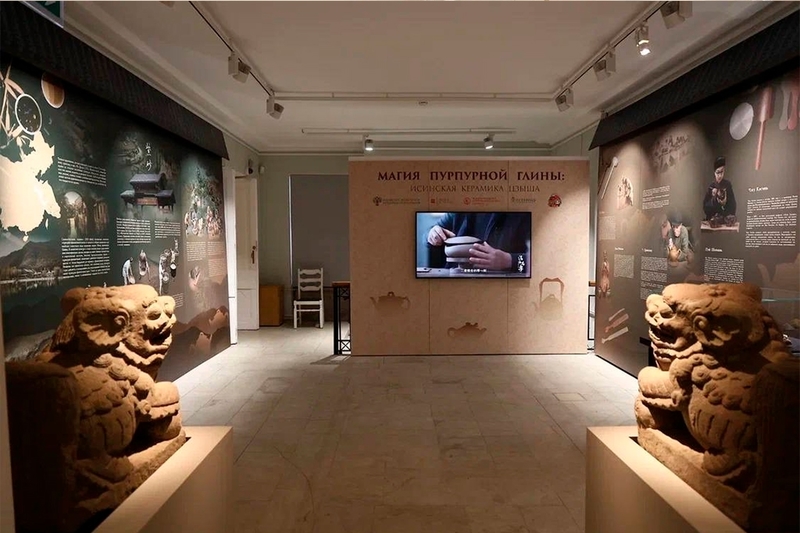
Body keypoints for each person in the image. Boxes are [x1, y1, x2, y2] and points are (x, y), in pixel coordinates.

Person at [427, 212, 530, 272]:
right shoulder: (459, 210)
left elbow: (539, 262)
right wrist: (432, 234)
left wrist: (510, 260)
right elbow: (428, 235)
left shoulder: (524, 212)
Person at [703, 156, 736, 221]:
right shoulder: (711, 187)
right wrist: (713, 200)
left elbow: (733, 206)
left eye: (722, 172)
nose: (720, 176)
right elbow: (705, 208)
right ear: (714, 172)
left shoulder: (727, 185)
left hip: (725, 220)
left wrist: (724, 204)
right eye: (718, 172)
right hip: (714, 220)